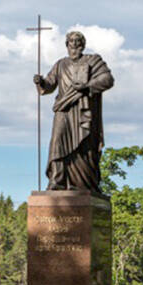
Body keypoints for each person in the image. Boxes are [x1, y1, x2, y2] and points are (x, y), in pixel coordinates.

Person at [34, 31, 114, 193]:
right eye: (71, 41)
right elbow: (49, 85)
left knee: (83, 147)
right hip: (64, 108)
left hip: (84, 110)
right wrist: (41, 82)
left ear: (83, 44)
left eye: (78, 41)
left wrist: (87, 86)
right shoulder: (60, 64)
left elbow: (107, 80)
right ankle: (57, 181)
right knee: (57, 141)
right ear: (67, 45)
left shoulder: (93, 61)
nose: (75, 44)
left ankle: (83, 184)